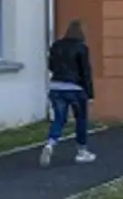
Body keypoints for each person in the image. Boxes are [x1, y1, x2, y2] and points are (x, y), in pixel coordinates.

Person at [40, 19, 96, 166]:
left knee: (59, 119)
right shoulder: (82, 48)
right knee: (81, 119)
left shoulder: (56, 46)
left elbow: (51, 66)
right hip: (75, 88)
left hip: (56, 86)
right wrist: (90, 94)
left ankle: (50, 143)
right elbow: (86, 72)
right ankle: (82, 151)